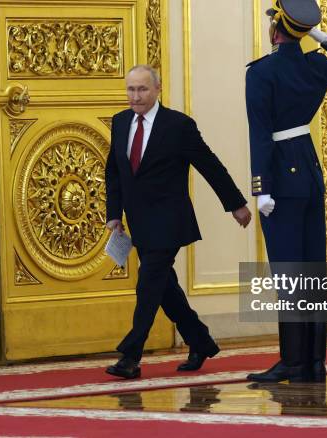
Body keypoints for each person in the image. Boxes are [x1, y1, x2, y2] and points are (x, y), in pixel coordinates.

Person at [105, 65, 252, 379]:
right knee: (164, 288)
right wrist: (114, 215)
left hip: (169, 221)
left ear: (158, 89)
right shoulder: (119, 122)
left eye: (142, 89)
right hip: (140, 222)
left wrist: (236, 204)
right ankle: (200, 341)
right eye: (130, 90)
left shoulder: (178, 125)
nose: (136, 96)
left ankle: (130, 355)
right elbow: (114, 172)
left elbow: (209, 165)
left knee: (148, 285)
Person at [245, 0, 327, 383]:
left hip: (280, 176)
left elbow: (260, 135)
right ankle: (314, 361)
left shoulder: (261, 72)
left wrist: (260, 188)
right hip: (309, 172)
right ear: (299, 31)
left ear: (275, 28)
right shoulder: (313, 64)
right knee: (312, 270)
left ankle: (293, 362)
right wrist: (322, 36)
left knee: (289, 274)